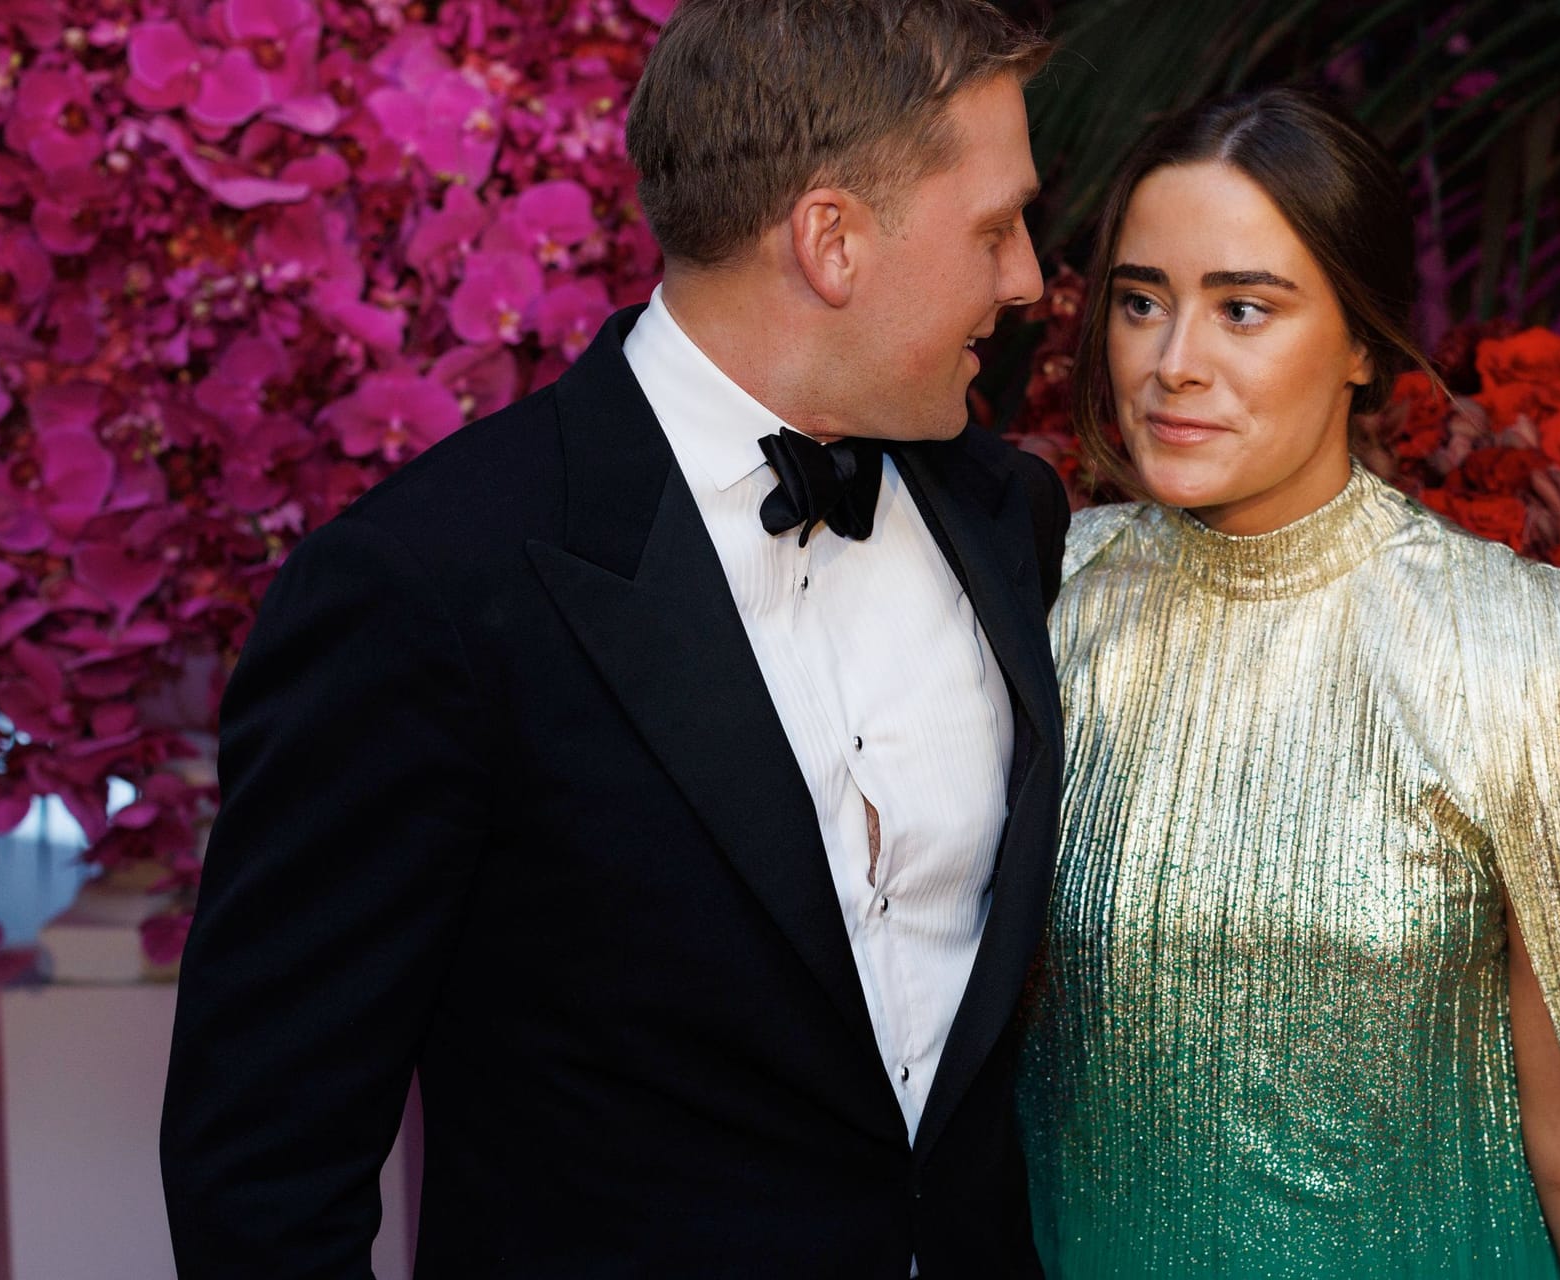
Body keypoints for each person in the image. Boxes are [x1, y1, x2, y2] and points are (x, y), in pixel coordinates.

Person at [159, 2, 1070, 1274]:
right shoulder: (424, 586)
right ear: (832, 240)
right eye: (994, 227)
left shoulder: (1006, 515)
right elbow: (263, 1168)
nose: (1027, 277)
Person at [1015, 87, 1560, 1279]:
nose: (1173, 363)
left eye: (1244, 309)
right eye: (1142, 302)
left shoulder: (1530, 661)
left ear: (1359, 340)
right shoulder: (1030, 614)